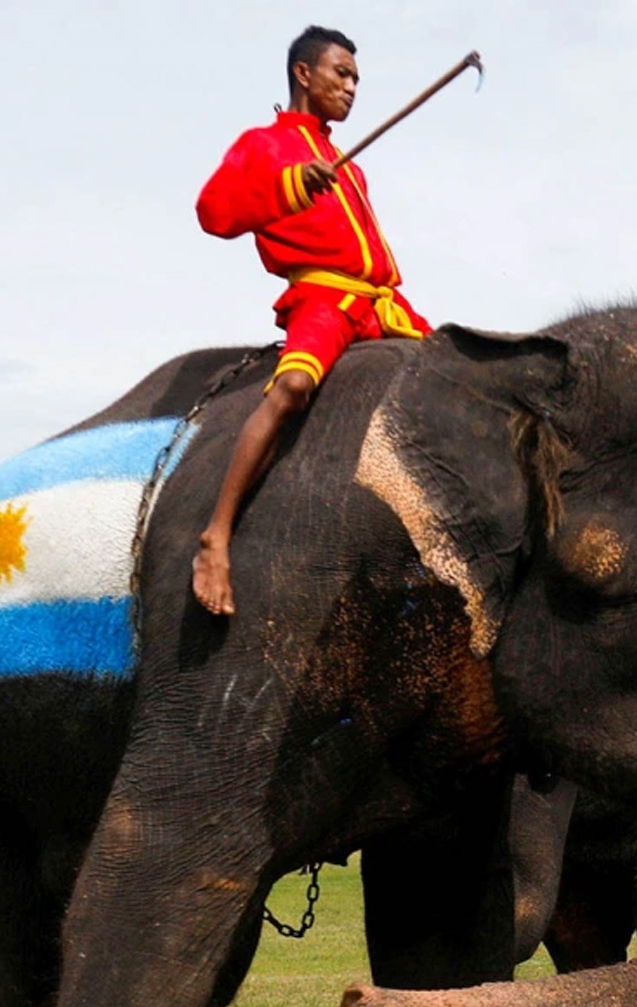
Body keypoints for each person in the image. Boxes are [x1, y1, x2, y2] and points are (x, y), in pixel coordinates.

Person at [192, 25, 435, 616]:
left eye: (356, 79)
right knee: (294, 387)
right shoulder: (264, 145)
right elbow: (212, 211)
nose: (351, 88)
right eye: (341, 74)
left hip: (380, 304)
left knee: (456, 375)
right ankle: (216, 534)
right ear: (304, 74)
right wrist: (288, 185)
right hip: (323, 300)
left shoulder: (346, 165)